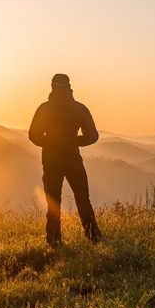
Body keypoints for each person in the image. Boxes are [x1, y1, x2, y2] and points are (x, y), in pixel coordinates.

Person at [28, 73, 101, 246]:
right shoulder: (79, 108)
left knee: (53, 201)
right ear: (69, 87)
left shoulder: (44, 109)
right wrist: (73, 141)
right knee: (83, 198)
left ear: (52, 87)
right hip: (73, 159)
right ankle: (94, 238)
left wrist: (51, 142)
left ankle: (54, 240)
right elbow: (93, 136)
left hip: (51, 161)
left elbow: (33, 135)